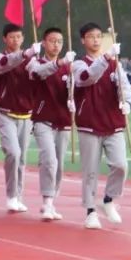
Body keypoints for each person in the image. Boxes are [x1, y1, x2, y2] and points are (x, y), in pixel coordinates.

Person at [72, 23, 131, 230]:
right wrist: (106, 59)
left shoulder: (115, 64)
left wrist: (127, 103)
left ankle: (108, 199)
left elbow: (125, 87)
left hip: (113, 123)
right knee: (90, 171)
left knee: (120, 165)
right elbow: (87, 78)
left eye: (99, 36)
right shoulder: (79, 64)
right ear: (83, 40)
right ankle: (90, 211)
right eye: (91, 36)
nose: (96, 40)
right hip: (89, 124)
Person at [27, 27, 75, 221]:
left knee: (59, 164)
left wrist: (73, 99)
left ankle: (52, 200)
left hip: (63, 120)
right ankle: (47, 201)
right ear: (44, 43)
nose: (56, 45)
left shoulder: (69, 67)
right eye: (52, 40)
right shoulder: (36, 63)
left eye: (60, 41)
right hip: (42, 119)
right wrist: (59, 63)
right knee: (49, 160)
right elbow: (40, 73)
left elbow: (77, 89)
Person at [0, 23, 36, 213]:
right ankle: (11, 196)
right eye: (11, 37)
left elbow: (39, 74)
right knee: (13, 153)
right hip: (6, 113)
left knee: (22, 158)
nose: (15, 40)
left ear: (23, 38)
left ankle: (18, 195)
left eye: (18, 37)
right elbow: (6, 64)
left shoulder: (31, 59)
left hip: (27, 114)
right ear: (5, 39)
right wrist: (25, 54)